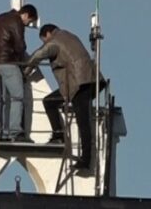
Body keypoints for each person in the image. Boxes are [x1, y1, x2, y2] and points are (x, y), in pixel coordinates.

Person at [24, 23, 102, 171]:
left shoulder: (54, 41)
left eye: (43, 40)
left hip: (76, 83)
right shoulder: (69, 35)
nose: (45, 43)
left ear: (47, 34)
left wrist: (25, 71)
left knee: (79, 119)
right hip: (87, 79)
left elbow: (38, 55)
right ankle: (63, 139)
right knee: (77, 117)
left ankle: (83, 158)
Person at [0, 4, 38, 142]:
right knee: (18, 97)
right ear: (26, 15)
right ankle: (15, 132)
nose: (27, 24)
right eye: (29, 21)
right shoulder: (17, 21)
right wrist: (24, 63)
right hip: (8, 62)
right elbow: (20, 45)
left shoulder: (0, 19)